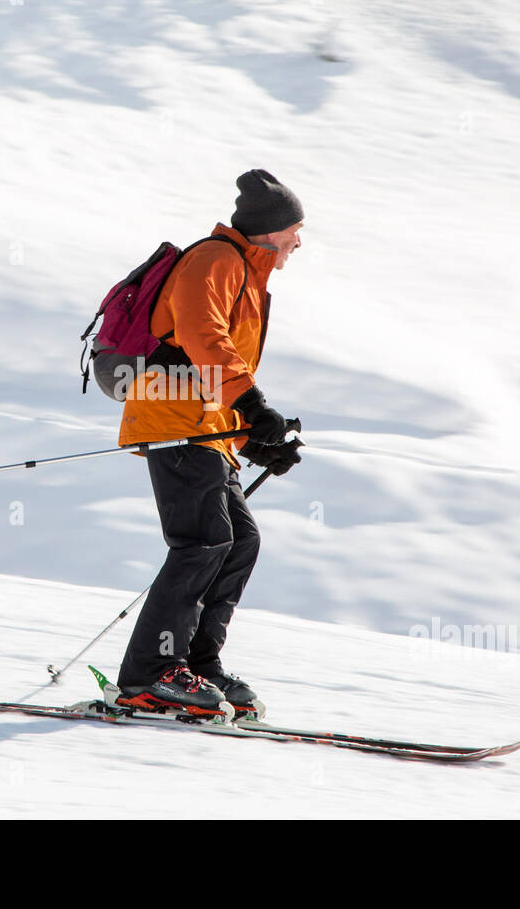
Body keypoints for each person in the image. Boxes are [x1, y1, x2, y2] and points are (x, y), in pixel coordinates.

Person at [114, 169, 305, 716]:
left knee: (238, 541)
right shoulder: (215, 261)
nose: (299, 242)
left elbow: (212, 369)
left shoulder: (244, 272)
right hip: (172, 418)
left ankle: (196, 665)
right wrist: (253, 406)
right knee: (202, 540)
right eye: (295, 231)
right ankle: (149, 674)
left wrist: (252, 441)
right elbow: (203, 340)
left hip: (204, 429)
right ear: (271, 232)